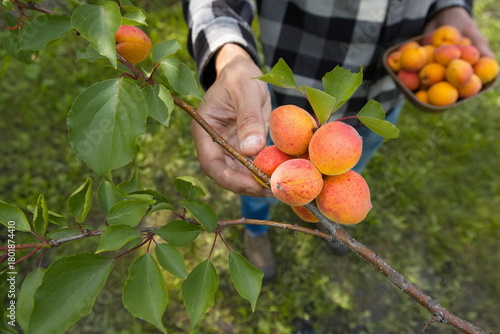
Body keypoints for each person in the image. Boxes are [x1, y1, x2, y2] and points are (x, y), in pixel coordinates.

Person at [182, 0, 493, 279]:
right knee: (257, 177)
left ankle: (322, 219)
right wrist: (230, 56)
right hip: (288, 95)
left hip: (380, 99)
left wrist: (449, 6)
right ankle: (255, 228)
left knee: (342, 166)